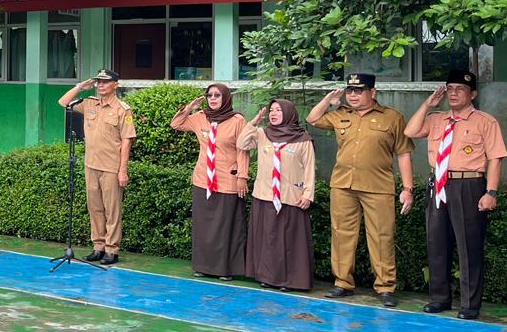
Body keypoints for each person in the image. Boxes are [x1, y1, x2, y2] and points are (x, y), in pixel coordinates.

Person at [403, 70, 504, 319]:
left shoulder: (484, 121)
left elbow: (496, 158)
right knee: (436, 242)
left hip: (468, 185)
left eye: (460, 89)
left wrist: (490, 192)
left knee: (468, 246)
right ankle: (440, 298)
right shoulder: (437, 118)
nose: (454, 93)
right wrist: (428, 103)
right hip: (438, 184)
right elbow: (410, 131)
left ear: (473, 94)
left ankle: (469, 304)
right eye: (450, 89)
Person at [308, 72, 414, 307]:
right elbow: (312, 118)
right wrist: (328, 101)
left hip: (378, 186)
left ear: (372, 93)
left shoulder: (392, 117)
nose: (353, 95)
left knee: (382, 236)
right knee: (342, 234)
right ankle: (342, 283)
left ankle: (385, 286)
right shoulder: (340, 115)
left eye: (359, 91)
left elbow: (404, 152)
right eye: (350, 91)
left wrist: (408, 188)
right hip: (343, 184)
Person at [57, 68, 135, 266]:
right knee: (95, 208)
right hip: (91, 165)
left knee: (112, 210)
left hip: (111, 167)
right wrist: (80, 87)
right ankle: (98, 247)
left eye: (105, 82)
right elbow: (63, 102)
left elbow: (127, 141)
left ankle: (112, 250)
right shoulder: (89, 104)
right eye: (98, 82)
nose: (100, 85)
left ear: (115, 85)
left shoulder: (122, 110)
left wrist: (123, 170)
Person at [171, 83, 248, 280]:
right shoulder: (200, 118)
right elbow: (176, 124)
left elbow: (243, 150)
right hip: (202, 180)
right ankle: (203, 266)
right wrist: (190, 108)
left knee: (225, 227)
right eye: (209, 95)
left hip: (227, 180)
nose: (212, 99)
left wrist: (242, 176)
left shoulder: (237, 120)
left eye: (217, 95)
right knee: (204, 227)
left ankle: (225, 269)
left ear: (226, 98)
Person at [239, 99, 316, 291]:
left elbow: (309, 169)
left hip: (291, 197)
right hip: (265, 195)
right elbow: (242, 143)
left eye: (278, 110)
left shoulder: (302, 139)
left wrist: (308, 194)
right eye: (271, 110)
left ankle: (290, 280)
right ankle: (266, 276)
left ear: (289, 113)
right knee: (267, 239)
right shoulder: (263, 134)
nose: (273, 114)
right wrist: (254, 122)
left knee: (289, 242)